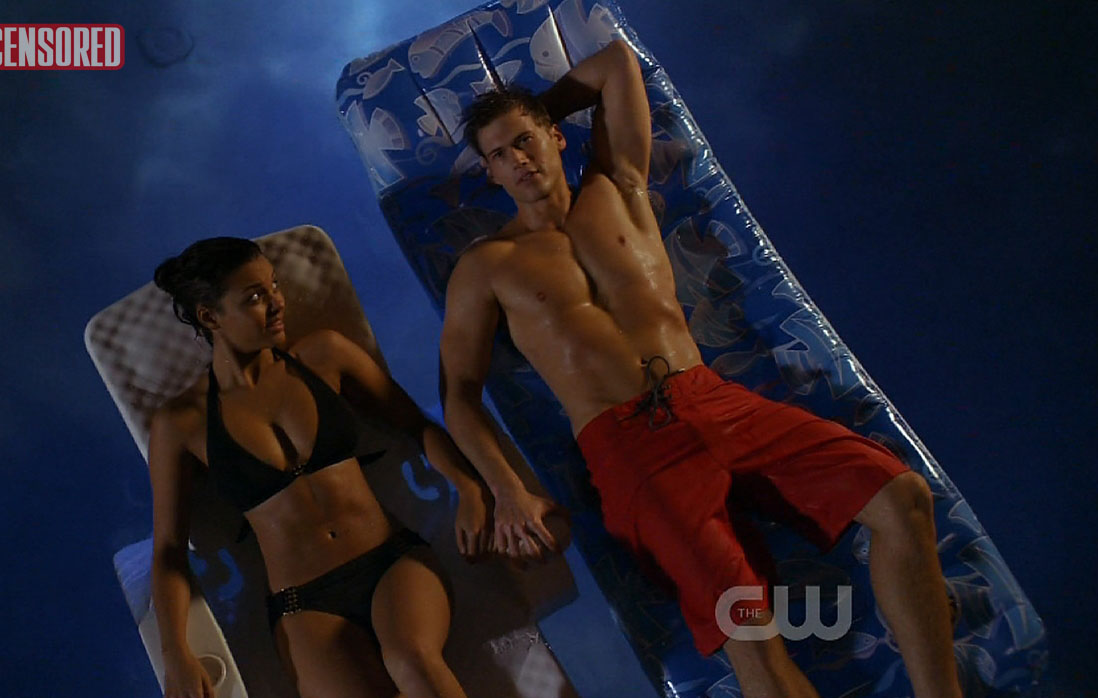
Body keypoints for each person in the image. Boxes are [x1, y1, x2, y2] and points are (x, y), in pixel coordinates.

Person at [439, 40, 962, 698]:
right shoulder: (486, 267)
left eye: (525, 141)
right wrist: (505, 489)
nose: (517, 160)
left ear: (556, 135)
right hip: (628, 446)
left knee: (901, 497)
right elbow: (458, 394)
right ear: (488, 174)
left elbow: (615, 62)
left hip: (711, 399)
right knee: (749, 628)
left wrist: (534, 112)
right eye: (498, 155)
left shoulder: (619, 185)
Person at [149, 237, 490, 698]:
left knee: (412, 660)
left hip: (391, 563)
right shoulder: (182, 423)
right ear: (211, 317)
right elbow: (170, 550)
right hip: (303, 604)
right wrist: (176, 654)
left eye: (275, 286)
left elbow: (416, 426)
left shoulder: (324, 355)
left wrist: (468, 488)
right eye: (255, 297)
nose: (277, 303)